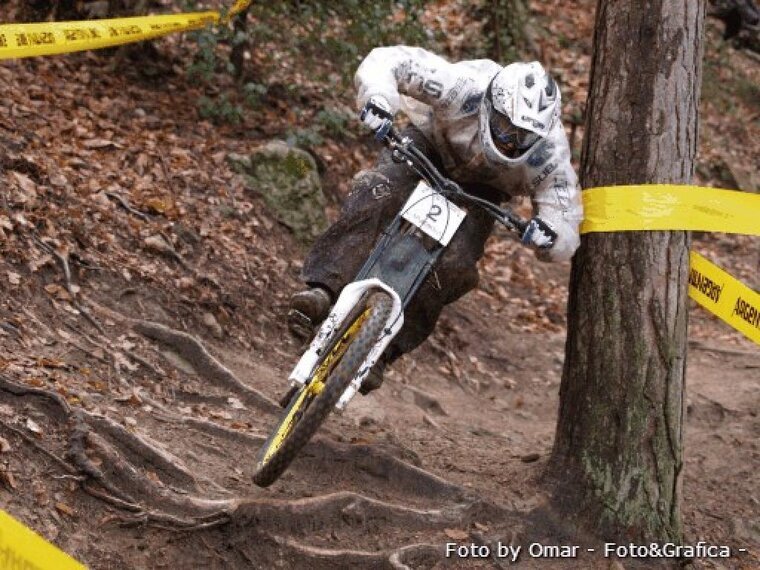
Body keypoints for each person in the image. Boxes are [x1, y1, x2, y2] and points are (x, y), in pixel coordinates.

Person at [288, 46, 583, 394]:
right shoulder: (464, 85)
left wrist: (550, 236)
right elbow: (392, 62)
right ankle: (323, 289)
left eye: (524, 137)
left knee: (456, 266)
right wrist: (378, 100)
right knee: (376, 190)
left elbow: (565, 213)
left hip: (484, 191)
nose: (511, 142)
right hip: (427, 146)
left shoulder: (550, 153)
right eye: (505, 127)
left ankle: (382, 351)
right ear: (490, 104)